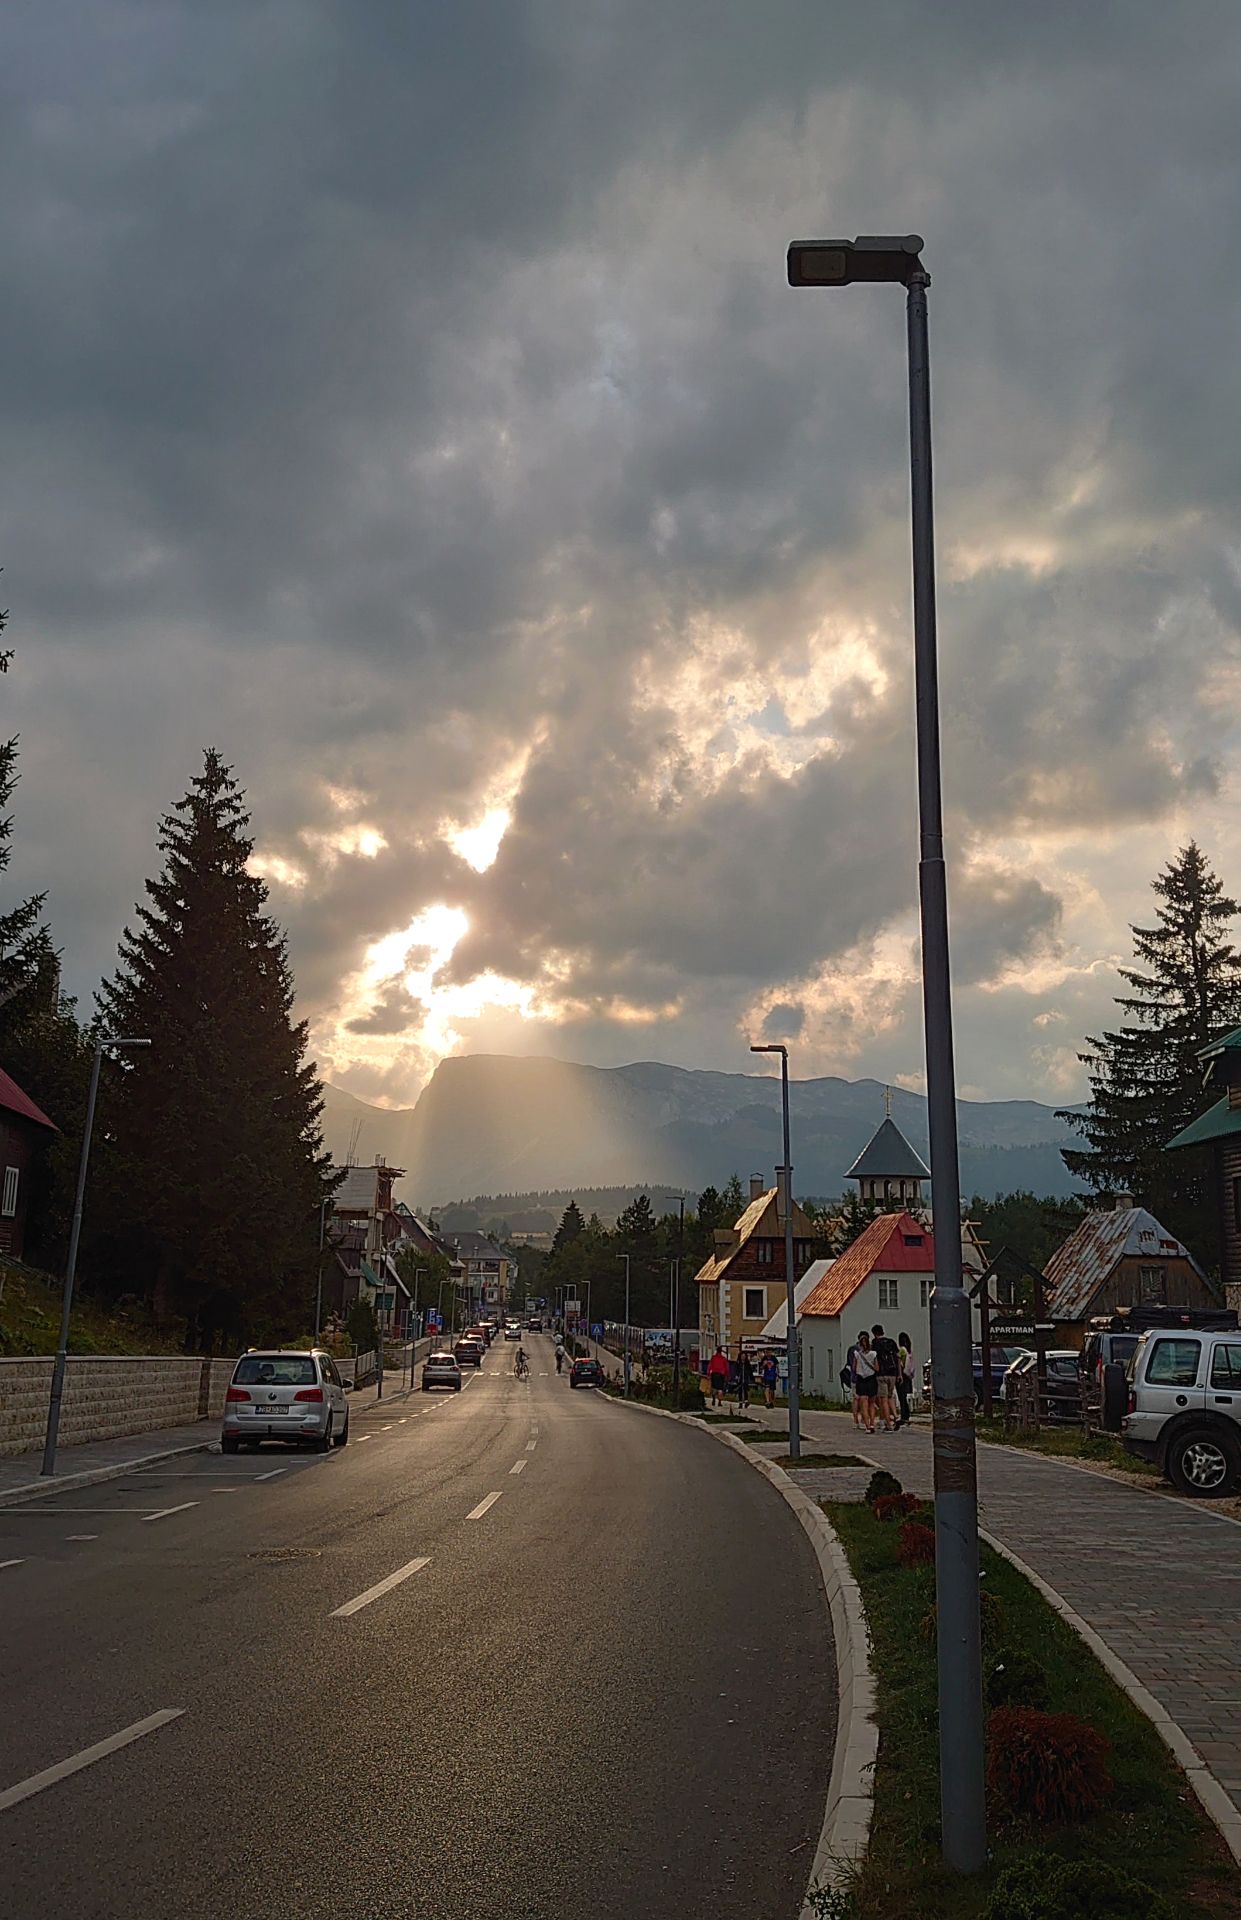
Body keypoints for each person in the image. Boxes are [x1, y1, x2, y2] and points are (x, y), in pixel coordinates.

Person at [872, 1324, 900, 1433]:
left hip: (881, 1374)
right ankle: (895, 1415)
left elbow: (874, 1360)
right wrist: (899, 1374)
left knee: (883, 1400)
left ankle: (889, 1424)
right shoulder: (891, 1342)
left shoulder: (875, 1344)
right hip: (892, 1373)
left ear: (874, 1333)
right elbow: (898, 1358)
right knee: (890, 1396)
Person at [853, 1331, 878, 1433]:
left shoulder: (857, 1354)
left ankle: (867, 1426)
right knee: (872, 1403)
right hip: (871, 1379)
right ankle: (872, 1424)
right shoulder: (873, 1354)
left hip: (861, 1379)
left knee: (864, 1404)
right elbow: (877, 1368)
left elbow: (854, 1368)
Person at [897, 1331, 915, 1428]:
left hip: (902, 1375)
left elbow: (900, 1364)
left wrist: (899, 1375)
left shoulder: (901, 1351)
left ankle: (904, 1415)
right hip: (908, 1375)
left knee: (902, 1397)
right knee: (906, 1396)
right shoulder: (909, 1351)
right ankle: (907, 1415)